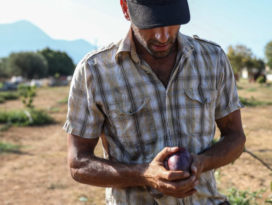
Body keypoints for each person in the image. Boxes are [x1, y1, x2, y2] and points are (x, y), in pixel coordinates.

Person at [64, 0, 246, 204]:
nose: (163, 36)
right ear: (125, 8)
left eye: (172, 21)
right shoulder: (94, 71)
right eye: (151, 23)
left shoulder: (213, 59)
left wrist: (202, 162)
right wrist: (144, 175)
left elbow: (235, 136)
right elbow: (78, 164)